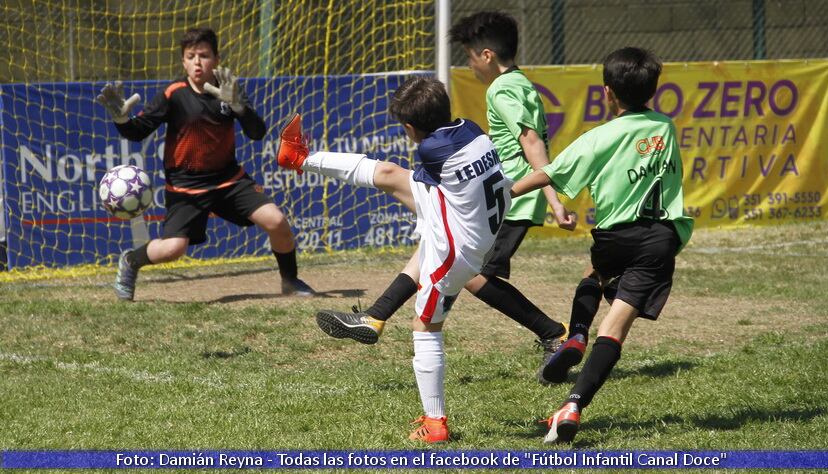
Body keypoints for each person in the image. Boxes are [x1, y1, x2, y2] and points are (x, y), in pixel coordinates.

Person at [313, 11, 577, 385]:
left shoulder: (502, 88)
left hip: (505, 196)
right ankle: (376, 315)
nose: (468, 64)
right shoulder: (519, 83)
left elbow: (530, 141)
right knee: (440, 243)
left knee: (468, 271)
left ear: (486, 55)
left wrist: (554, 199)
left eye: (469, 55)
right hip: (502, 193)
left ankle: (555, 334)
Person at [276, 76, 512, 443]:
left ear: (408, 127)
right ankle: (374, 317)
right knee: (387, 174)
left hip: (458, 251)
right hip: (478, 224)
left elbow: (414, 175)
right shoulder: (471, 128)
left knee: (425, 327)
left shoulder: (431, 152)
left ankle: (435, 424)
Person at [509, 47, 694, 443]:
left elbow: (549, 174)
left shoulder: (600, 136)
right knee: (616, 329)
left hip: (615, 237)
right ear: (654, 90)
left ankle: (576, 333)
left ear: (607, 93)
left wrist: (506, 192)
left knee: (593, 274)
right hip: (660, 238)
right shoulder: (665, 126)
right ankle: (573, 404)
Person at [95, 27, 313, 301]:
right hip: (186, 189)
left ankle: (290, 280)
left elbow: (257, 133)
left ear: (216, 59)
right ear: (183, 61)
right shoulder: (173, 93)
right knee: (173, 249)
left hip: (229, 181)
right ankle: (131, 260)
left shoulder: (229, 90)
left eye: (204, 55)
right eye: (191, 56)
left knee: (277, 221)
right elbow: (137, 132)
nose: (198, 62)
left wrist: (239, 108)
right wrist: (122, 120)